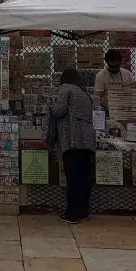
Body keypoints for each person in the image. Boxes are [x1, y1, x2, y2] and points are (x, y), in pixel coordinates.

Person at [48, 68, 96, 224]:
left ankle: (72, 213)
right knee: (84, 177)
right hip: (88, 140)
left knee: (73, 177)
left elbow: (59, 111)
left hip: (73, 139)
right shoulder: (85, 93)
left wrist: (49, 109)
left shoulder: (65, 89)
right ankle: (83, 211)